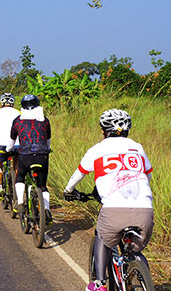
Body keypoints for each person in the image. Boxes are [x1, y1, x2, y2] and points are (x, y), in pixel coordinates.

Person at [63, 109, 154, 291]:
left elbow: (78, 175)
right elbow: (148, 176)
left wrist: (68, 190)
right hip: (145, 210)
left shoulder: (97, 149)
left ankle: (99, 284)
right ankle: (138, 272)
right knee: (135, 250)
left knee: (102, 237)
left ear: (104, 130)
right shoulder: (137, 147)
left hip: (114, 209)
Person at [7, 94, 52, 225]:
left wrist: (9, 150)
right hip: (42, 155)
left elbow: (11, 140)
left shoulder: (18, 121)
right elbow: (48, 140)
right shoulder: (45, 120)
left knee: (20, 176)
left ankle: (20, 201)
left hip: (25, 156)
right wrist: (47, 149)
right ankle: (47, 210)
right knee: (43, 186)